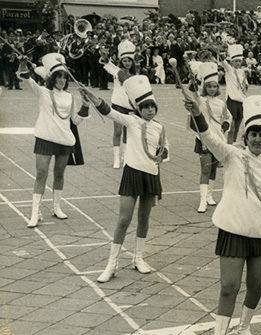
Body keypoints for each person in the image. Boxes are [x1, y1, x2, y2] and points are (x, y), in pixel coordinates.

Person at [183, 94, 261, 335]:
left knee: (255, 286)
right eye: (253, 134)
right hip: (233, 231)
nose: (257, 139)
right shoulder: (231, 155)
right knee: (229, 287)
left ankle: (244, 327)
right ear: (246, 134)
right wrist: (197, 113)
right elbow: (209, 138)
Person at [80, 76, 169, 283]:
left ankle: (138, 258)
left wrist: (162, 155)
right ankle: (112, 264)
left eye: (152, 107)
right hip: (132, 173)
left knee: (144, 217)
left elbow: (164, 152)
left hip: (151, 175)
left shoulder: (160, 128)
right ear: (138, 109)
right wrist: (92, 97)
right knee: (123, 219)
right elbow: (108, 111)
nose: (149, 110)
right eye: (145, 107)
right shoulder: (132, 121)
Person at [19, 53, 90, 228]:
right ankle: (35, 213)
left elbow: (75, 120)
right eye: (59, 77)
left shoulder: (69, 97)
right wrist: (22, 63)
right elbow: (27, 78)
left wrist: (86, 104)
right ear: (52, 78)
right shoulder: (43, 92)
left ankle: (56, 207)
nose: (62, 80)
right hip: (45, 137)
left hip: (64, 140)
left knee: (59, 174)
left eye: (64, 77)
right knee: (41, 173)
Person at [194, 62, 231, 213]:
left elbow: (228, 117)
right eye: (209, 86)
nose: (212, 89)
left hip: (218, 139)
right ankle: (202, 200)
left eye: (214, 86)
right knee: (205, 168)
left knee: (214, 167)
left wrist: (226, 125)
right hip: (203, 138)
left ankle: (209, 195)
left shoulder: (221, 103)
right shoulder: (201, 100)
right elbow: (193, 96)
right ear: (204, 87)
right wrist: (193, 81)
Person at [104, 40, 138, 169]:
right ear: (121, 61)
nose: (127, 63)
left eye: (129, 60)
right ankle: (116, 158)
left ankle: (125, 157)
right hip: (118, 103)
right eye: (124, 61)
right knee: (117, 131)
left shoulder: (135, 73)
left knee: (127, 132)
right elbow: (106, 62)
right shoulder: (116, 71)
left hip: (130, 106)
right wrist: (104, 55)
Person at [223, 43, 248, 143]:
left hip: (241, 100)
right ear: (232, 62)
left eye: (239, 61)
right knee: (231, 127)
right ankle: (228, 144)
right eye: (236, 61)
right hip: (232, 99)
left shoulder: (242, 72)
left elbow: (245, 85)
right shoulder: (229, 70)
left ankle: (233, 143)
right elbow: (223, 62)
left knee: (237, 126)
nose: (238, 63)